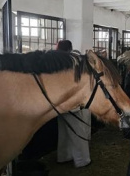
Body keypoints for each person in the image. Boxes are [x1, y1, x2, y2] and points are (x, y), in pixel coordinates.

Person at [56, 40, 91, 168]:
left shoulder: (55, 62)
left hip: (59, 102)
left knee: (64, 131)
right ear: (69, 49)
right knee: (77, 131)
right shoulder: (73, 62)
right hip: (72, 102)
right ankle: (83, 159)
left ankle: (64, 156)